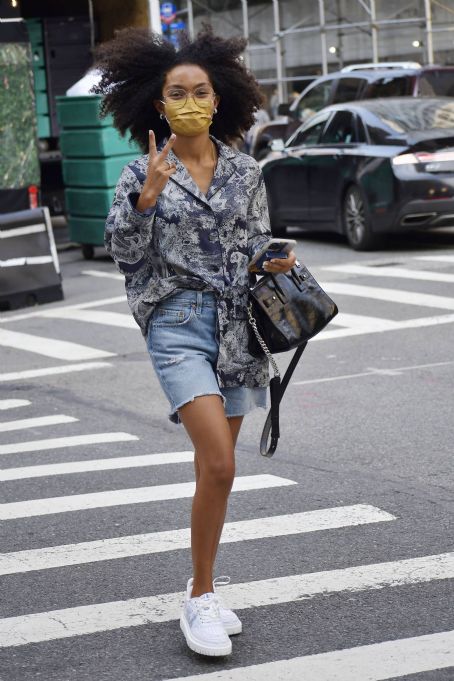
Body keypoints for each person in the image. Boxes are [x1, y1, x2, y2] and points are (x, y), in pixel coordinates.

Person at [93, 26, 296, 658]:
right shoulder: (141, 170)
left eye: (199, 91)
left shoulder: (244, 169)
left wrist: (273, 262)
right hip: (177, 325)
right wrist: (147, 199)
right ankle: (199, 597)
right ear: (157, 104)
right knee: (220, 462)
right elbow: (123, 255)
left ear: (218, 97)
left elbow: (255, 240)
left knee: (216, 474)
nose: (188, 101)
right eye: (175, 93)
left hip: (239, 327)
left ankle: (201, 586)